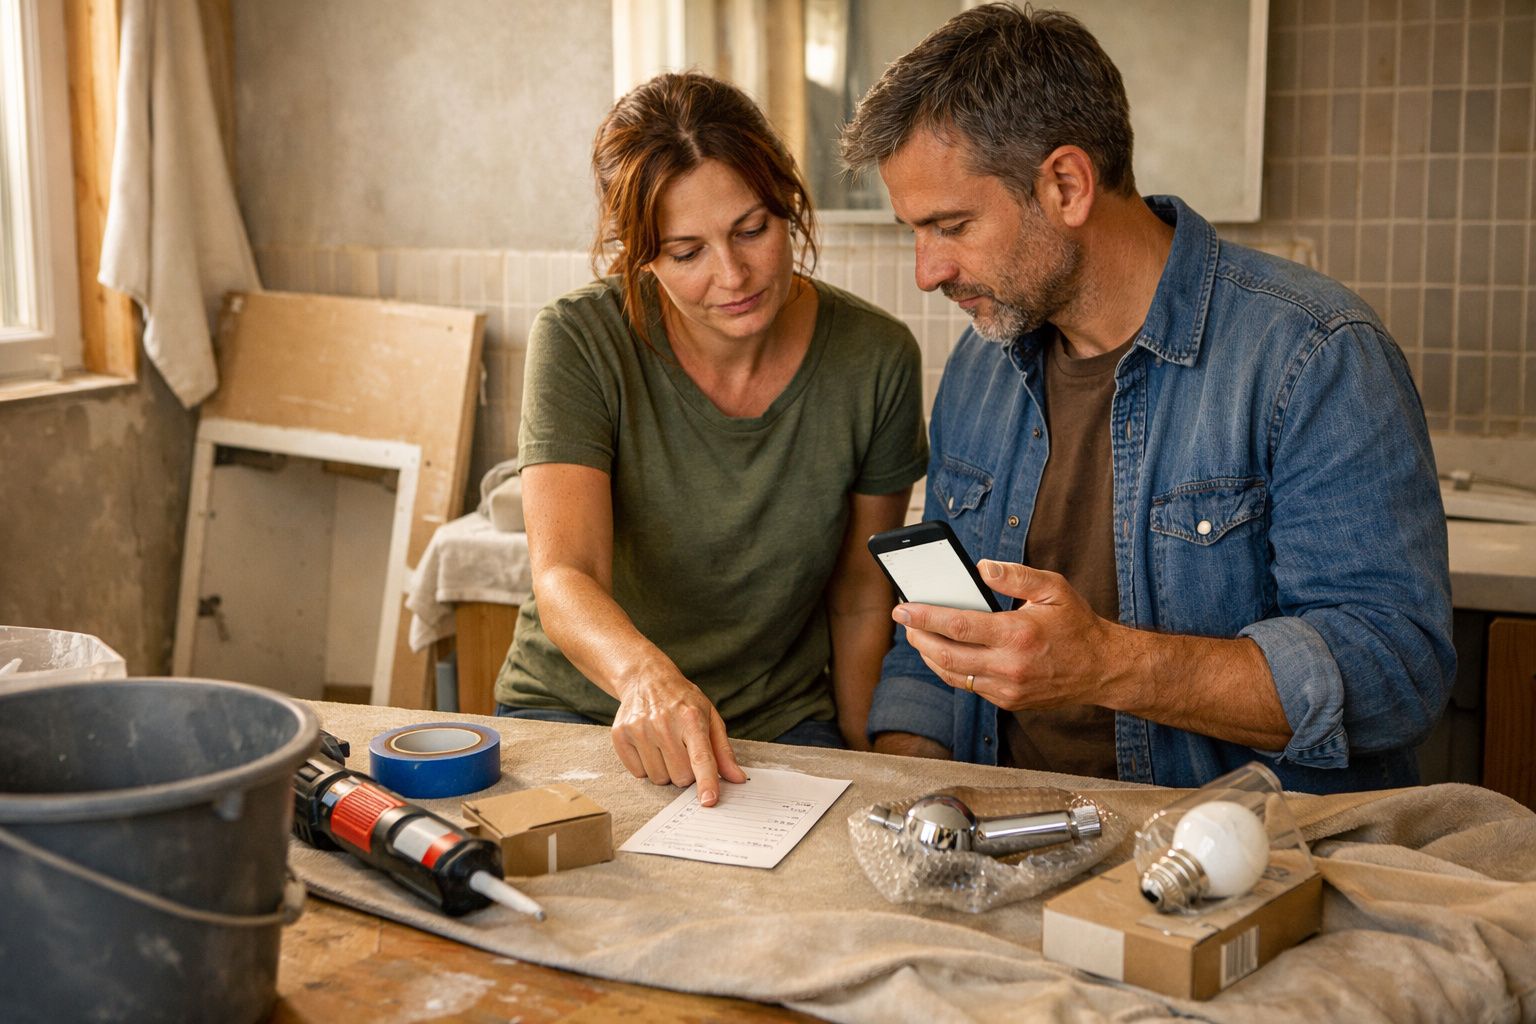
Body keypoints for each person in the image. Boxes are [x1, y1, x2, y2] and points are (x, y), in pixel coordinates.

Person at [839, 4, 1455, 793]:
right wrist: (916, 798)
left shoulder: (1313, 354)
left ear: (1066, 184)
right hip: (1005, 838)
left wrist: (1107, 666)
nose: (927, 270)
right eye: (912, 231)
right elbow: (939, 643)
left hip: (1229, 856)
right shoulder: (980, 362)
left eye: (951, 225)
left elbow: (1394, 673)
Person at [494, 72, 928, 806]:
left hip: (779, 723)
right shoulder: (579, 340)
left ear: (788, 203)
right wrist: (647, 680)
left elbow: (859, 596)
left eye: (752, 229)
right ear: (640, 255)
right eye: (687, 252)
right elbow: (566, 574)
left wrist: (870, 764)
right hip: (583, 710)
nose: (733, 276)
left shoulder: (876, 358)